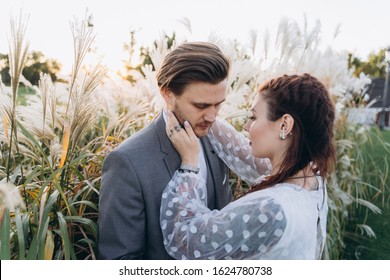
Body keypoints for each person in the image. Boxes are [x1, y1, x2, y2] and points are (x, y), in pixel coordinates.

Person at [161, 73, 336, 259]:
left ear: (285, 125)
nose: (246, 126)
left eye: (253, 117)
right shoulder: (312, 178)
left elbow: (189, 240)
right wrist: (205, 117)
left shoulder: (271, 209)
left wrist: (189, 164)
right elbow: (242, 153)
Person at [98, 42, 232, 259]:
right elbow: (120, 260)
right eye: (201, 106)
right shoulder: (127, 162)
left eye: (218, 104)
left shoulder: (217, 140)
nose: (212, 117)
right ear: (168, 95)